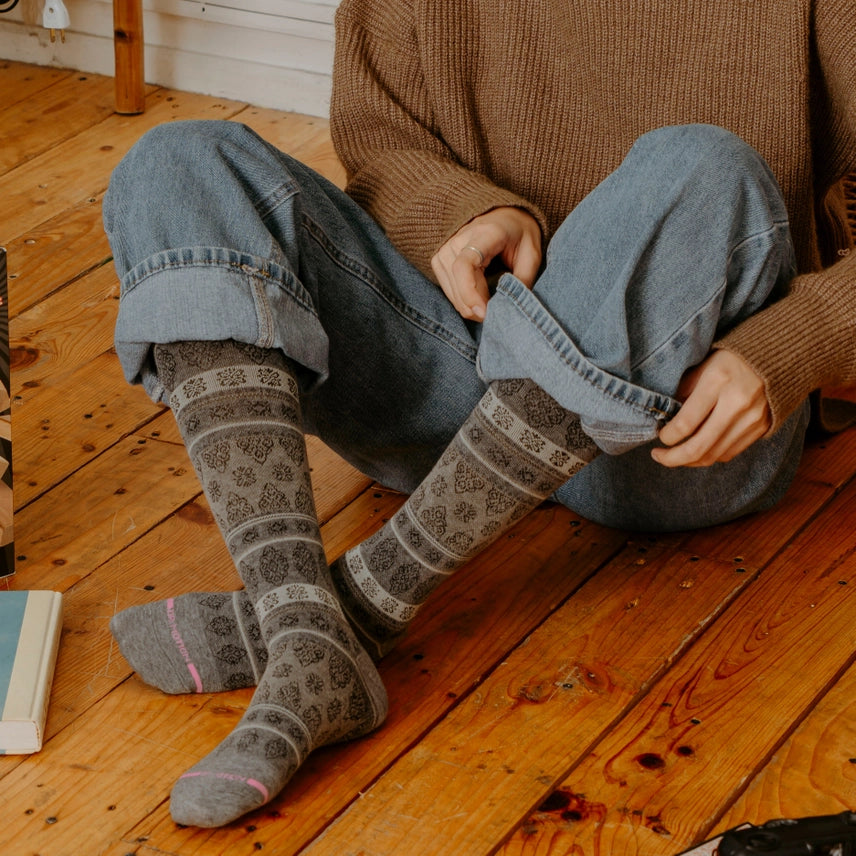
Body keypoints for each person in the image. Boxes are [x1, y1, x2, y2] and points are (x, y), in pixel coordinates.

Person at [103, 0, 856, 829]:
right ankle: (307, 626)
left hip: (674, 429)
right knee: (177, 163)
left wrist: (794, 344)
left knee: (702, 166)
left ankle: (344, 609)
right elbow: (383, 138)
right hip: (459, 381)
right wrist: (473, 212)